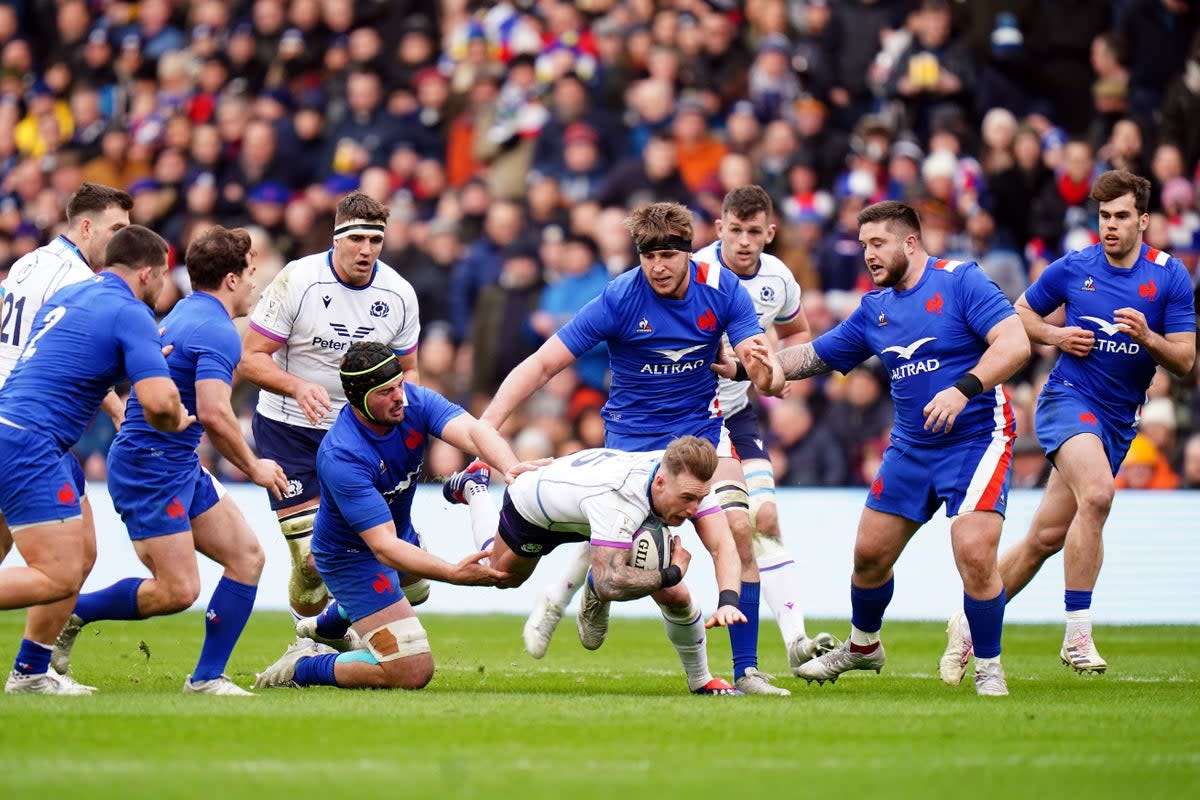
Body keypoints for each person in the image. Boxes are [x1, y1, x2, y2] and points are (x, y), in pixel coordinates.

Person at [728, 200, 1031, 697]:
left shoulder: (961, 281)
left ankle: (989, 667)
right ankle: (864, 646)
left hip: (977, 439)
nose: (867, 255)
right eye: (863, 244)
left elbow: (1015, 344)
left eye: (877, 244)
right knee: (869, 556)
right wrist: (744, 366)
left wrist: (962, 389)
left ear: (909, 242)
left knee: (974, 552)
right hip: (911, 448)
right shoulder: (876, 308)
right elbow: (813, 354)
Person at [480, 201, 783, 694]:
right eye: (648, 256)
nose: (658, 266)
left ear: (688, 251)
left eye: (668, 255)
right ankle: (591, 593)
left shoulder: (722, 288)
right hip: (631, 444)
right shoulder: (620, 298)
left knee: (736, 528)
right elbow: (541, 365)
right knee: (653, 571)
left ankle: (746, 670)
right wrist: (485, 428)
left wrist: (760, 367)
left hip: (700, 432)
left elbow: (764, 372)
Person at [940, 170, 1195, 680]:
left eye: (1122, 216)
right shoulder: (1073, 267)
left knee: (1045, 538)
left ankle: (967, 622)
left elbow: (1185, 360)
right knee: (1098, 494)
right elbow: (1019, 315)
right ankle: (1078, 634)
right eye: (1104, 216)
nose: (1111, 226)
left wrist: (1149, 338)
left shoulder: (1170, 276)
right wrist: (1056, 336)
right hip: (1067, 399)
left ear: (1143, 221)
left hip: (1119, 418)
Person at [50, 227, 290, 695]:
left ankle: (205, 678)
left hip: (174, 462)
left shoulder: (184, 311)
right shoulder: (217, 330)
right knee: (176, 591)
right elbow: (216, 413)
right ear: (231, 279)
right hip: (150, 467)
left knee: (246, 556)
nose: (256, 284)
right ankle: (69, 612)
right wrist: (256, 466)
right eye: (251, 273)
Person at [252, 342, 532, 691]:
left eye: (399, 384)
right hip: (352, 559)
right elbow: (382, 548)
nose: (399, 396)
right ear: (357, 399)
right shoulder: (343, 454)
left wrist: (510, 468)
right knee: (411, 672)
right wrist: (453, 572)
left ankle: (333, 622)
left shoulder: (413, 401)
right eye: (385, 392)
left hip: (398, 538)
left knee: (417, 590)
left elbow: (474, 431)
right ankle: (304, 665)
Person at [0, 225, 191, 695]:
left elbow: (75, 360)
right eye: (164, 275)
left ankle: (30, 672)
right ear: (147, 273)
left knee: (80, 555)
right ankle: (28, 675)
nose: (165, 286)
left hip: (9, 425)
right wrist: (175, 417)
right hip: (32, 444)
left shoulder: (74, 295)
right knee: (58, 574)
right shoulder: (132, 312)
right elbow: (160, 402)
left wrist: (137, 361)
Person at [441, 435, 747, 695]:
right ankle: (475, 486)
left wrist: (728, 601)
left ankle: (702, 681)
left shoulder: (690, 482)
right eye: (687, 499)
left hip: (587, 504)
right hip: (534, 508)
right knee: (502, 574)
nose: (694, 509)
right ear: (661, 483)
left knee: (674, 593)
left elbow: (723, 545)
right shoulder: (618, 500)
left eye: (699, 499)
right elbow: (608, 582)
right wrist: (672, 572)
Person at [239, 192, 421, 621]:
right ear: (335, 238)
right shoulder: (297, 281)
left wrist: (400, 418)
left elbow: (409, 372)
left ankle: (332, 636)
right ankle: (307, 642)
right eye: (356, 238)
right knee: (311, 563)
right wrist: (297, 387)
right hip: (290, 429)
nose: (366, 250)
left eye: (375, 241)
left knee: (413, 585)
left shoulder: (399, 293)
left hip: (360, 434)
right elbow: (250, 358)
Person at [693, 186, 837, 686]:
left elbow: (797, 335)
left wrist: (780, 372)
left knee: (764, 517)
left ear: (770, 233)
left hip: (736, 415)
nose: (745, 241)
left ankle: (795, 642)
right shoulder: (695, 272)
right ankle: (579, 594)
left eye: (755, 232)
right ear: (720, 229)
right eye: (736, 230)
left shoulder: (779, 278)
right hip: (686, 418)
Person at [0, 183, 132, 567]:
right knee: (74, 558)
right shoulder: (78, 281)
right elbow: (75, 360)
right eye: (116, 229)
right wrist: (118, 409)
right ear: (87, 227)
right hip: (28, 423)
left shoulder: (31, 259)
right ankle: (47, 630)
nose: (123, 240)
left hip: (13, 415)